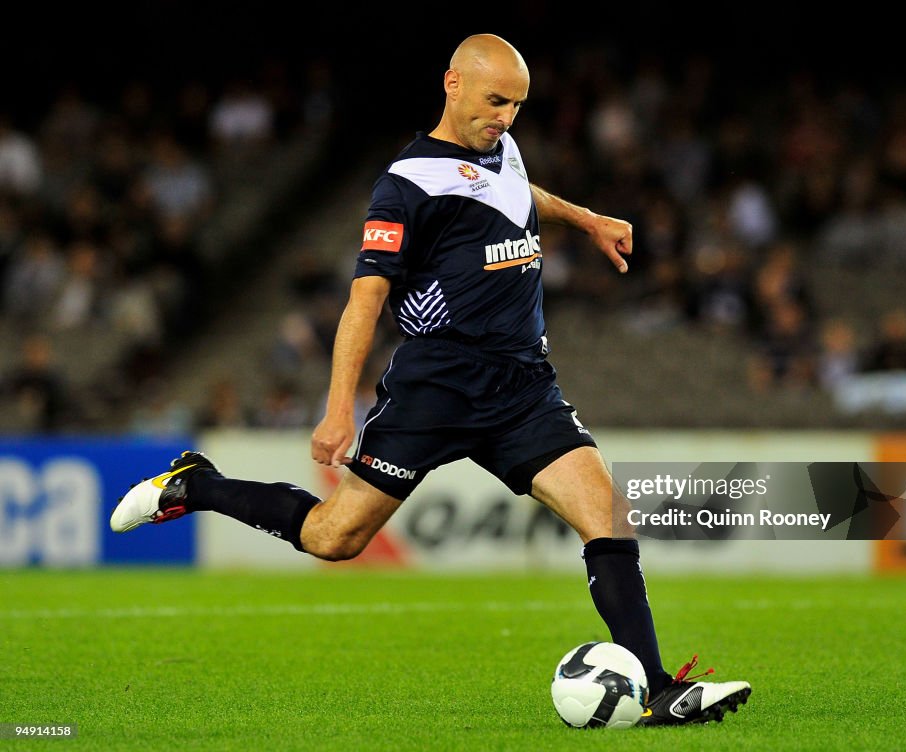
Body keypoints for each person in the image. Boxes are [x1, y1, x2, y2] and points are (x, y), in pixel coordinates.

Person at [111, 34, 750, 726]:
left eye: (517, 105)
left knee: (607, 516)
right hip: (435, 389)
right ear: (453, 84)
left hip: (523, 388)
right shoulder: (406, 184)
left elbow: (516, 192)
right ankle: (197, 484)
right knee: (334, 537)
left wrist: (586, 219)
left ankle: (654, 687)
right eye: (495, 100)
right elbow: (365, 299)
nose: (506, 116)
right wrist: (336, 410)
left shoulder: (499, 147)